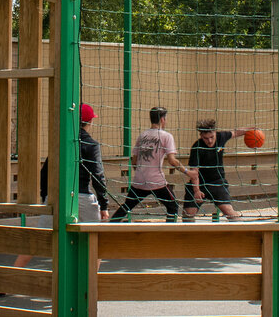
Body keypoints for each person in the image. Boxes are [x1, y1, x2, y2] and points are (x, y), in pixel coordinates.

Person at [12, 103, 111, 270]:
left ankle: (10, 277)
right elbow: (97, 175)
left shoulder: (61, 142)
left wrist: (46, 196)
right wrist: (104, 205)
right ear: (89, 122)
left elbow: (45, 171)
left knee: (38, 239)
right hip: (82, 196)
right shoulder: (92, 145)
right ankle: (90, 282)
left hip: (57, 195)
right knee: (96, 240)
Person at [110, 106, 194, 221]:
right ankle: (169, 234)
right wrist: (188, 172)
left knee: (127, 206)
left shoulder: (142, 135)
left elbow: (134, 161)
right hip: (157, 182)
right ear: (163, 119)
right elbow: (172, 161)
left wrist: (142, 171)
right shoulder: (167, 136)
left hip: (139, 180)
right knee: (173, 207)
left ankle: (111, 225)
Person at [182, 118, 257, 221]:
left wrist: (253, 130)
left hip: (217, 182)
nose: (209, 141)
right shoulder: (197, 147)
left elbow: (236, 132)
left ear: (215, 132)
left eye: (212, 137)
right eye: (206, 138)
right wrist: (197, 190)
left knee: (232, 215)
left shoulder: (221, 137)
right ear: (201, 136)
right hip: (200, 183)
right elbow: (194, 172)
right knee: (187, 217)